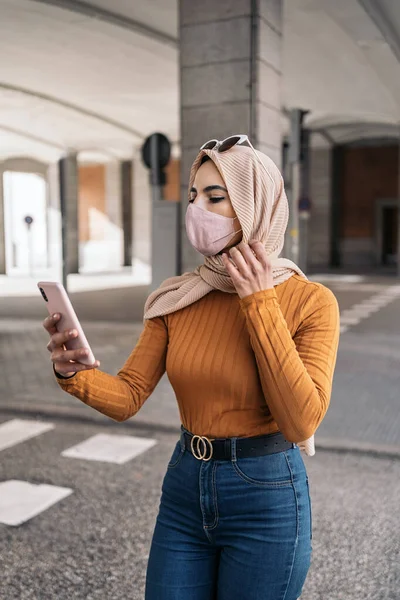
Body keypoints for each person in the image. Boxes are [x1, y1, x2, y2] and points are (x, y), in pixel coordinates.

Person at [43, 135, 340, 600]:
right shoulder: (178, 297)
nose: (197, 208)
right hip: (185, 485)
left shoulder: (310, 302)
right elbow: (128, 396)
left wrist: (258, 300)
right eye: (193, 196)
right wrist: (73, 373)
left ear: (253, 204)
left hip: (267, 495)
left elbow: (300, 419)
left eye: (215, 197)